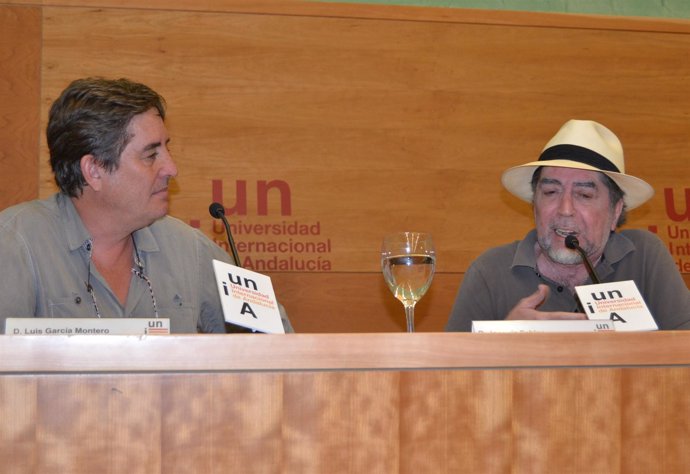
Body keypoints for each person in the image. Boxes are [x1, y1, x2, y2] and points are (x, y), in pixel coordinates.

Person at [0, 77, 293, 334]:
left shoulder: (190, 248)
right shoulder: (13, 245)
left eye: (167, 148)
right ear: (94, 170)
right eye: (151, 155)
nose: (172, 168)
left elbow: (277, 341)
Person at [446, 119, 690, 331]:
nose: (564, 210)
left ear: (615, 212)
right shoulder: (490, 272)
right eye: (551, 192)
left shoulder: (643, 257)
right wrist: (504, 341)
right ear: (534, 204)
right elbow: (448, 378)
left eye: (584, 195)